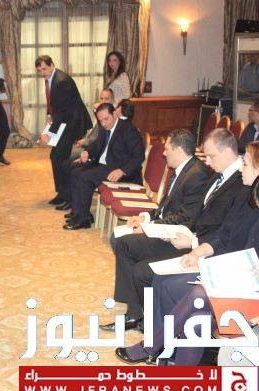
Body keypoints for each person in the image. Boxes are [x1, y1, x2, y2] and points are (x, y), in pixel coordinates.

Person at [115, 146, 259, 365]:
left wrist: (217, 273)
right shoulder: (245, 196)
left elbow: (245, 255)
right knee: (174, 293)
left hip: (246, 289)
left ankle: (153, 346)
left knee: (198, 296)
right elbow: (224, 236)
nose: (240, 169)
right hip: (234, 275)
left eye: (246, 164)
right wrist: (198, 252)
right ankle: (170, 359)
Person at [100, 129, 245, 332]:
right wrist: (148, 220)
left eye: (211, 156)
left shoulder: (237, 183)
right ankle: (136, 311)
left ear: (227, 152)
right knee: (124, 243)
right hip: (188, 236)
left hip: (200, 245)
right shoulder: (218, 175)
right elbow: (180, 209)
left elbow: (218, 228)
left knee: (140, 267)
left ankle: (143, 317)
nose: (207, 161)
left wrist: (193, 243)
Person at [62, 103, 144, 230]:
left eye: (106, 119)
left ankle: (83, 220)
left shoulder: (128, 130)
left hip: (120, 171)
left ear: (115, 114)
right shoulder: (104, 128)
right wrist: (87, 152)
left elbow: (139, 156)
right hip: (105, 165)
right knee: (75, 171)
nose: (104, 123)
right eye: (101, 121)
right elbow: (96, 145)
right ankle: (80, 212)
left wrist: (122, 171)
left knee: (85, 177)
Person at [36, 55, 93, 207]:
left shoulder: (61, 81)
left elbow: (62, 113)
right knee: (56, 157)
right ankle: (62, 193)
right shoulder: (52, 78)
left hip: (72, 124)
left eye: (44, 69)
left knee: (59, 158)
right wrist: (49, 115)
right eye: (39, 70)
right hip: (65, 122)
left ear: (52, 65)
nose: (42, 73)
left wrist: (49, 134)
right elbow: (53, 102)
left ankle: (68, 196)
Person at [69, 88, 115, 161]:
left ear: (112, 101)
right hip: (88, 144)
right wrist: (84, 140)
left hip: (93, 150)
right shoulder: (100, 112)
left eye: (106, 99)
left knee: (66, 154)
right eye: (101, 98)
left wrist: (85, 142)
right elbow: (93, 132)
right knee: (63, 151)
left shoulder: (111, 117)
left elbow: (100, 139)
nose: (103, 101)